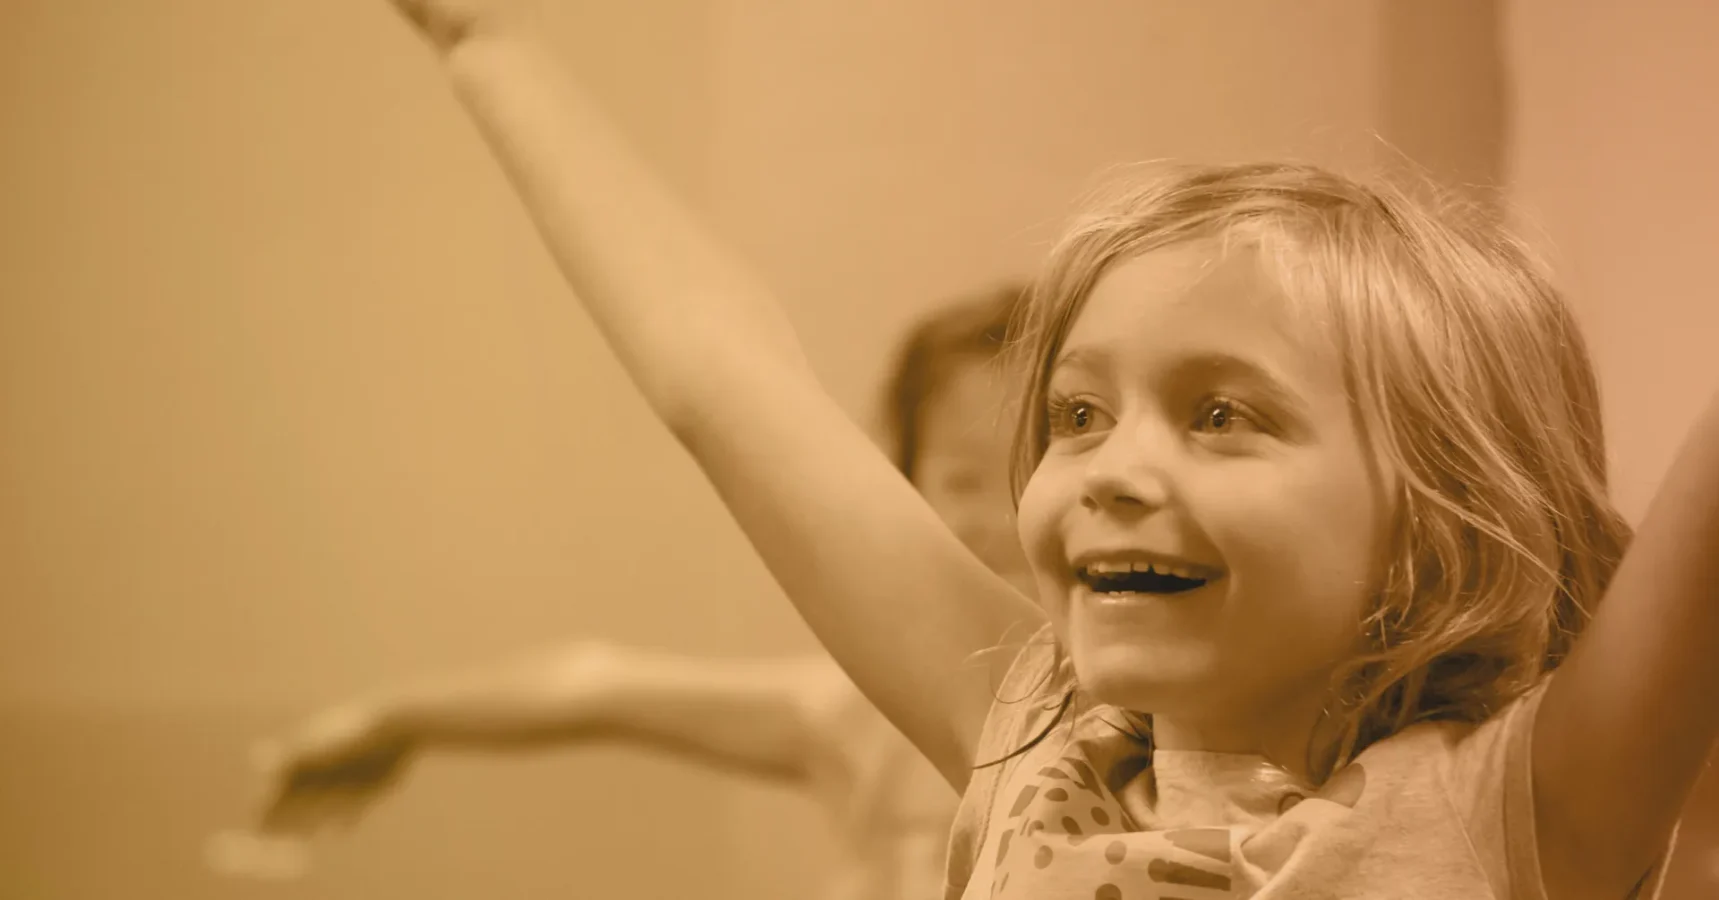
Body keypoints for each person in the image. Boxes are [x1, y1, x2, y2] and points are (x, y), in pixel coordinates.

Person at [342, 2, 1719, 897]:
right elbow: (722, 384)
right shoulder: (1030, 752)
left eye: (1219, 415)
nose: (1108, 468)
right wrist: (486, 44)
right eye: (1075, 415)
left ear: (1435, 517)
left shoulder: (1517, 814)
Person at [225, 285, 1031, 900]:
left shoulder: (1132, 731)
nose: (997, 519)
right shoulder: (856, 717)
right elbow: (595, 681)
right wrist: (395, 716)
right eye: (960, 479)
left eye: (1023, 475)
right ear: (900, 482)